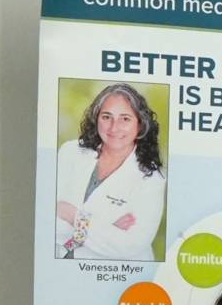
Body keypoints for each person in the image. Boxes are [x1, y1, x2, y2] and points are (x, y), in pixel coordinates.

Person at [56, 82, 167, 260]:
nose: (114, 127)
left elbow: (129, 246)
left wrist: (72, 215)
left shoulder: (152, 178)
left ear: (140, 124)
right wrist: (107, 227)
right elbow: (47, 222)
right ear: (96, 118)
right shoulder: (70, 153)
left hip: (118, 276)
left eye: (125, 118)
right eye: (107, 117)